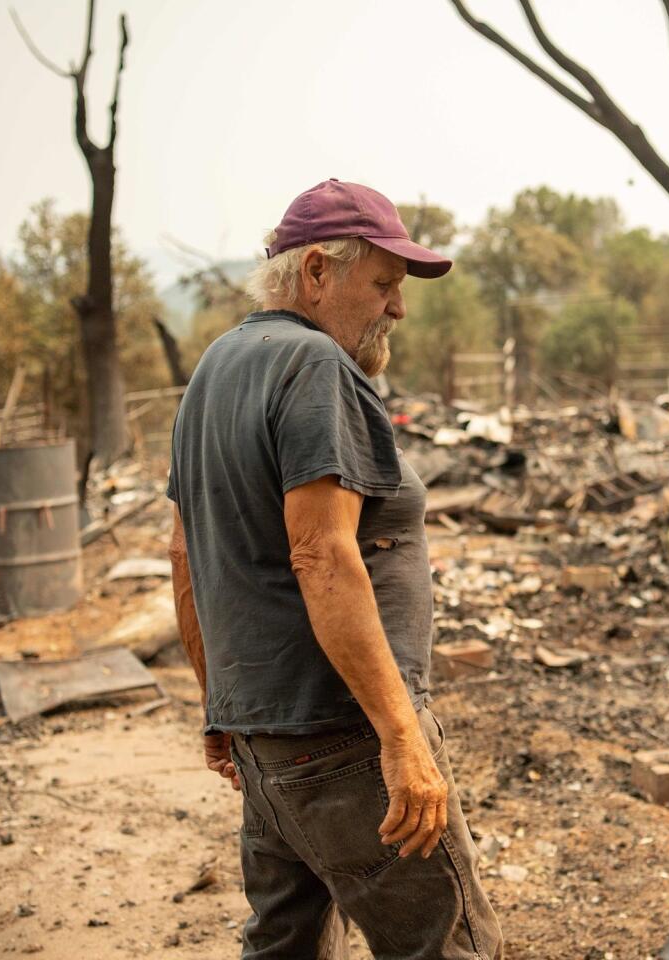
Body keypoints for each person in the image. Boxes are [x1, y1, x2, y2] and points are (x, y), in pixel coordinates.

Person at [166, 179, 502, 959]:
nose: (398, 307)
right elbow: (322, 553)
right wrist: (399, 736)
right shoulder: (314, 365)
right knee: (444, 947)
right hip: (344, 738)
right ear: (316, 271)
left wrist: (219, 700)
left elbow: (185, 554)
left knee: (286, 946)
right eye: (384, 283)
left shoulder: (214, 370)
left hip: (267, 741)